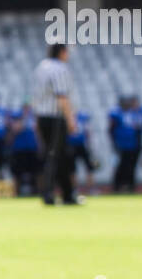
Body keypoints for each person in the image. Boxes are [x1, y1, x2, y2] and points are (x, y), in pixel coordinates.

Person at [31, 43, 79, 205]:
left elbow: (36, 96)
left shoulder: (41, 67)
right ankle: (52, 194)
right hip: (56, 117)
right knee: (56, 156)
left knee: (54, 155)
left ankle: (64, 193)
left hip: (42, 115)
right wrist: (71, 119)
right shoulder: (59, 68)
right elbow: (62, 96)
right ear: (61, 52)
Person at [108, 95, 142, 193]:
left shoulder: (136, 113)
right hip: (121, 144)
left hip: (134, 144)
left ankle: (130, 186)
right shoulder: (117, 113)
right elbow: (111, 129)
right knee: (121, 166)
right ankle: (118, 186)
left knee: (132, 166)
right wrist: (114, 143)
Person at [8, 103, 41, 196]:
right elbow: (16, 129)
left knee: (36, 171)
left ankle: (39, 191)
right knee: (17, 173)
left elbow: (37, 132)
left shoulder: (33, 118)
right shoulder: (18, 117)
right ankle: (15, 193)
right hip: (19, 149)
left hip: (32, 148)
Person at [67, 110, 98, 194]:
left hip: (82, 145)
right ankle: (74, 189)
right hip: (70, 145)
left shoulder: (83, 117)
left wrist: (90, 144)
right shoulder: (66, 117)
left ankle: (91, 188)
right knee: (72, 169)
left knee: (89, 167)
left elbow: (88, 131)